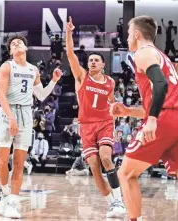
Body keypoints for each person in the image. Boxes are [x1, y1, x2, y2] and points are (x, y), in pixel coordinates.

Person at [110, 15, 178, 221]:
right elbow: (162, 99)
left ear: (137, 34)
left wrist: (152, 119)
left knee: (126, 174)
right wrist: (127, 111)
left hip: (164, 120)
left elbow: (160, 85)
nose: (126, 38)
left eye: (128, 34)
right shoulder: (163, 58)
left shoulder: (143, 53)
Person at [0, 34, 62, 218]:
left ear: (25, 48)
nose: (16, 45)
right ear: (10, 51)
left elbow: (40, 95)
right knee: (1, 161)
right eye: (13, 44)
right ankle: (5, 193)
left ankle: (13, 202)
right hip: (7, 113)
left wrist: (54, 81)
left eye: (19, 43)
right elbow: (1, 95)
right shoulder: (7, 66)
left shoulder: (33, 70)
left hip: (25, 113)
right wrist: (10, 117)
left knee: (18, 163)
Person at [65, 16, 125, 218]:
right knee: (94, 168)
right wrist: (69, 32)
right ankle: (113, 204)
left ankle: (120, 201)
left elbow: (111, 105)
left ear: (102, 65)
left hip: (104, 123)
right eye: (90, 60)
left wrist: (115, 126)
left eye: (96, 60)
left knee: (106, 158)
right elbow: (70, 54)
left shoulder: (110, 82)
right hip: (86, 126)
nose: (91, 62)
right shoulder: (81, 77)